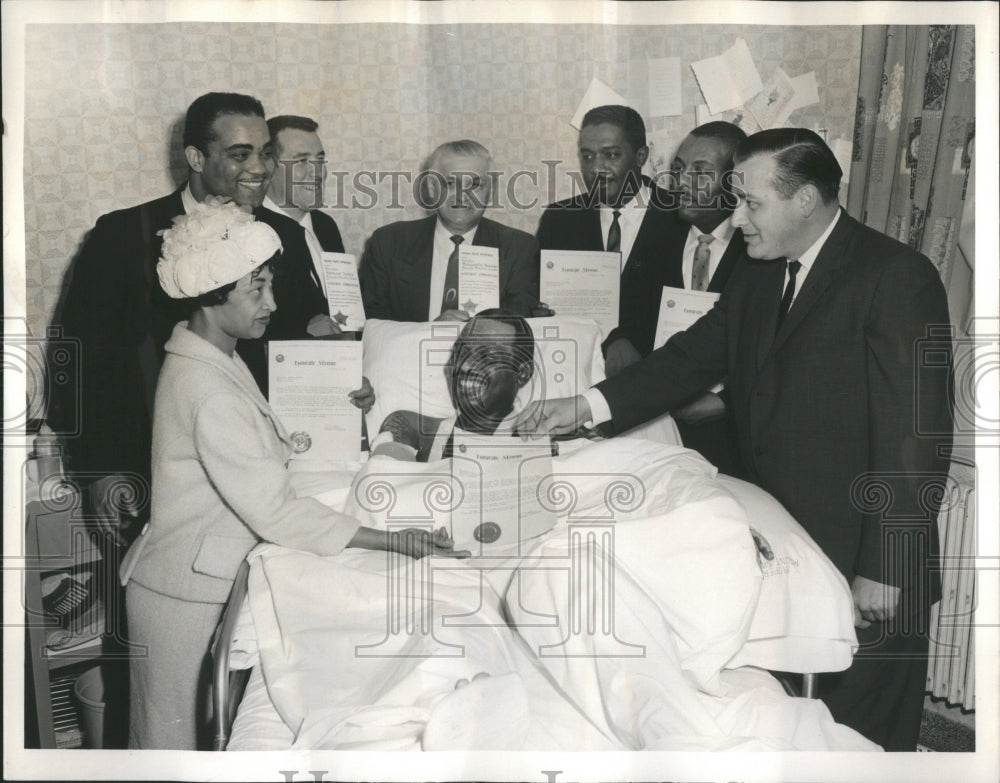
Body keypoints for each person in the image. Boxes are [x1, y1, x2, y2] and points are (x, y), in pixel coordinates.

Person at [514, 128, 953, 751]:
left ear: (804, 199)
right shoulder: (756, 269)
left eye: (750, 202)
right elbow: (691, 357)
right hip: (785, 534)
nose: (735, 216)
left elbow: (919, 431)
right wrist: (587, 404)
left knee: (865, 731)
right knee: (796, 724)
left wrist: (889, 565)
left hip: (867, 546)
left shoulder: (895, 276)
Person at [122, 200, 465, 749]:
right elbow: (274, 509)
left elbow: (267, 446)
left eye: (269, 284)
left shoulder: (217, 357)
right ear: (210, 300)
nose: (272, 303)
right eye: (254, 290)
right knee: (169, 749)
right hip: (180, 593)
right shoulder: (206, 387)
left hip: (196, 574)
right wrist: (393, 540)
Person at [50, 92, 336, 549]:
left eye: (265, 153)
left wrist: (341, 388)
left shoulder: (285, 236)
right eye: (239, 154)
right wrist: (100, 469)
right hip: (149, 475)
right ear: (196, 157)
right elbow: (83, 361)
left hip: (259, 474)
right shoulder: (123, 236)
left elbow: (297, 343)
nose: (259, 168)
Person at [611, 121, 749, 475]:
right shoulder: (656, 239)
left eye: (700, 172)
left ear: (734, 181)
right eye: (678, 169)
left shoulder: (759, 253)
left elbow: (778, 354)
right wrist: (621, 339)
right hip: (658, 425)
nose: (681, 183)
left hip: (735, 435)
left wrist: (725, 402)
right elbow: (630, 315)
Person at [535, 105, 677, 368]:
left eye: (610, 155)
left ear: (641, 156)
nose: (596, 168)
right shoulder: (559, 219)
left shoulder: (678, 218)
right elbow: (538, 302)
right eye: (587, 156)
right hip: (577, 373)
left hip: (658, 383)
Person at [359, 140, 541, 322]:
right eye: (451, 184)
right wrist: (429, 332)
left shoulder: (518, 249)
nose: (462, 196)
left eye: (475, 185)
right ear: (432, 188)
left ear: (491, 190)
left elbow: (518, 330)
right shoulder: (389, 243)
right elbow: (374, 327)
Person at [370, 309, 540, 462]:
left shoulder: (537, 443)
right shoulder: (409, 428)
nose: (464, 366)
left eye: (486, 356)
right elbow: (385, 485)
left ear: (523, 373)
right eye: (461, 353)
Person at [264, 114, 352, 337]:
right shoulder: (249, 230)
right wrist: (301, 335)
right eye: (302, 161)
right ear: (269, 167)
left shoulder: (325, 226)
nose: (318, 172)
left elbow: (347, 308)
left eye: (320, 160)